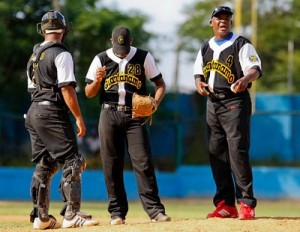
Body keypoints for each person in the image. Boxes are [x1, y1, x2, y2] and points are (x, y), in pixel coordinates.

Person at [85, 26, 171, 225]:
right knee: (111, 165)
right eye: (117, 48)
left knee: (143, 163)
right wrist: (97, 81)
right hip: (109, 114)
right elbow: (89, 93)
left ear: (130, 41)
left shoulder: (143, 57)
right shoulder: (101, 59)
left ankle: (155, 211)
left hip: (136, 115)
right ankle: (117, 213)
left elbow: (160, 84)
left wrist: (154, 104)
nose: (121, 53)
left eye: (124, 48)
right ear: (111, 41)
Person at [25, 10, 99, 229]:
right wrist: (78, 117)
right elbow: (67, 88)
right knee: (73, 161)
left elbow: (32, 87)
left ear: (42, 30)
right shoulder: (61, 53)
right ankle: (71, 215)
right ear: (64, 30)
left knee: (45, 164)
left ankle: (41, 218)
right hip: (51, 112)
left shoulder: (35, 54)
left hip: (33, 111)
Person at [193, 6, 262, 220]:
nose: (223, 21)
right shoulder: (206, 46)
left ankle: (246, 204)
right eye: (218, 18)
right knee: (217, 154)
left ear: (230, 22)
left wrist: (244, 79)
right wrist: (199, 83)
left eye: (227, 18)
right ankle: (225, 204)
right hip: (213, 104)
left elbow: (255, 68)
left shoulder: (241, 43)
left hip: (235, 102)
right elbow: (198, 73)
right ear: (211, 22)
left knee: (237, 152)